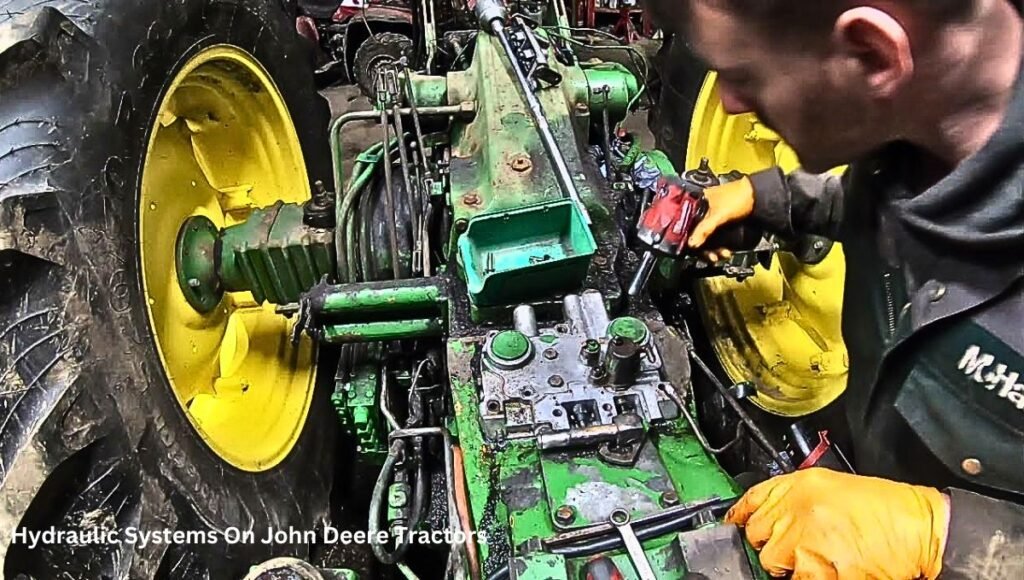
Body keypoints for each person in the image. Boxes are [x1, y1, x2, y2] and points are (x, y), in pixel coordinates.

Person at [666, 1, 1024, 578]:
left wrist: (941, 536)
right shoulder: (926, 130)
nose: (728, 104)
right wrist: (768, 198)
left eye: (745, 76)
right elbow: (893, 209)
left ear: (873, 54)